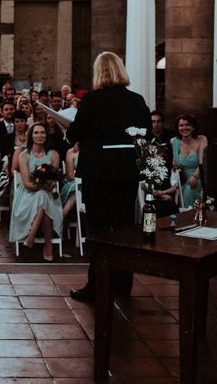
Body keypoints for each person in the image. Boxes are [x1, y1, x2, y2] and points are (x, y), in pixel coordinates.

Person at [59, 51, 152, 302]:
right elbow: (147, 132)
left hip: (98, 171)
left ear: (99, 72)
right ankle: (123, 283)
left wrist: (68, 133)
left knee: (99, 229)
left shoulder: (92, 99)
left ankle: (97, 285)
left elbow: (76, 132)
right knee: (124, 227)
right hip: (126, 171)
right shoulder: (136, 99)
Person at [9, 122, 63, 261]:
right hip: (27, 195)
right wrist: (43, 185)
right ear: (31, 136)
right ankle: (48, 247)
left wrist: (46, 185)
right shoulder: (24, 155)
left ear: (47, 135)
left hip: (49, 194)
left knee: (43, 196)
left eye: (43, 132)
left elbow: (52, 182)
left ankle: (30, 239)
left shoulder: (53, 154)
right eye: (36, 133)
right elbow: (27, 183)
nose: (40, 136)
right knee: (42, 196)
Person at [171, 114, 208, 209]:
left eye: (187, 125)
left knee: (189, 189)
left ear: (193, 127)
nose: (184, 128)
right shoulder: (173, 141)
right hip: (181, 178)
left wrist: (195, 177)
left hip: (198, 175)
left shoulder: (202, 140)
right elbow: (174, 163)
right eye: (181, 125)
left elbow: (202, 163)